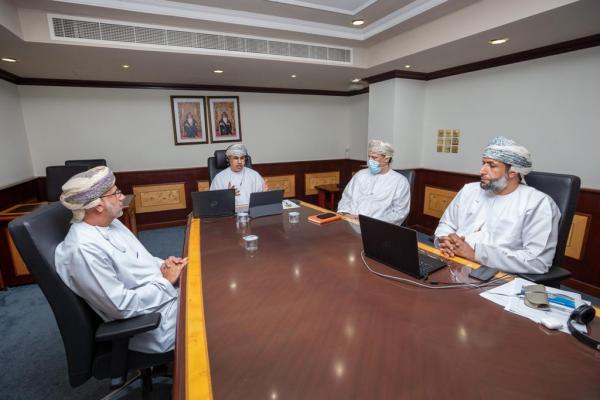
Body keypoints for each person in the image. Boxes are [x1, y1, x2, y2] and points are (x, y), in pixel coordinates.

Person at [54, 166, 187, 354]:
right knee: (217, 310)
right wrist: (166, 281)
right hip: (153, 322)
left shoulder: (111, 222)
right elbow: (121, 307)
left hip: (164, 298)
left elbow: (142, 261)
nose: (122, 197)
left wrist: (166, 266)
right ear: (98, 205)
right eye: (116, 193)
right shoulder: (83, 249)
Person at [434, 136, 560, 274]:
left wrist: (475, 254)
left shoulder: (538, 203)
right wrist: (445, 241)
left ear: (512, 172)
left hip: (496, 273)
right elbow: (447, 224)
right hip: (450, 259)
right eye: (483, 163)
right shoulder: (469, 190)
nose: (482, 170)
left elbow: (537, 261)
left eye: (491, 165)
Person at [337, 139, 410, 225]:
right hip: (349, 221)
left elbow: (399, 213)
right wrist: (344, 213)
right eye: (369, 157)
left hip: (376, 227)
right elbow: (347, 198)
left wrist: (369, 222)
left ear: (386, 159)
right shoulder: (360, 175)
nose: (370, 160)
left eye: (374, 157)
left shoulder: (400, 182)